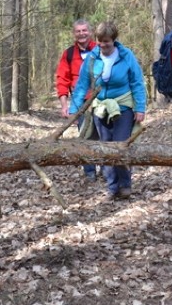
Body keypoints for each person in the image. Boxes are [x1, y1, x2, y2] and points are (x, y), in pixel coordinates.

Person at [70, 21, 146, 200]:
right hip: (101, 107)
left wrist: (140, 107)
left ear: (114, 40)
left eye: (107, 41)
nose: (104, 45)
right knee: (105, 147)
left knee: (120, 145)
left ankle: (125, 184)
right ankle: (112, 187)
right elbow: (82, 85)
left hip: (123, 106)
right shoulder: (91, 58)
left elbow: (137, 83)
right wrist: (75, 110)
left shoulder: (126, 55)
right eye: (101, 41)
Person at [55, 18, 99, 181]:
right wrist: (65, 105)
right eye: (78, 31)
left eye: (84, 30)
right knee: (84, 136)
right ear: (74, 34)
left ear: (91, 32)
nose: (81, 34)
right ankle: (90, 172)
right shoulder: (68, 54)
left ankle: (108, 169)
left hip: (101, 99)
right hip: (80, 102)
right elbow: (62, 79)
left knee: (104, 135)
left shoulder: (101, 49)